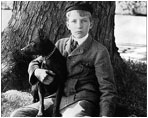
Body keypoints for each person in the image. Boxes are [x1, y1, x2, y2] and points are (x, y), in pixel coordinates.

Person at [10, 2, 117, 117]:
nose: (79, 25)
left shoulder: (99, 51)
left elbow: (107, 89)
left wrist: (105, 115)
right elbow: (36, 62)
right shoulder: (61, 44)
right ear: (68, 25)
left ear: (91, 24)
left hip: (81, 100)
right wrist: (37, 71)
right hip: (56, 98)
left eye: (84, 21)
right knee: (18, 114)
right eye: (74, 21)